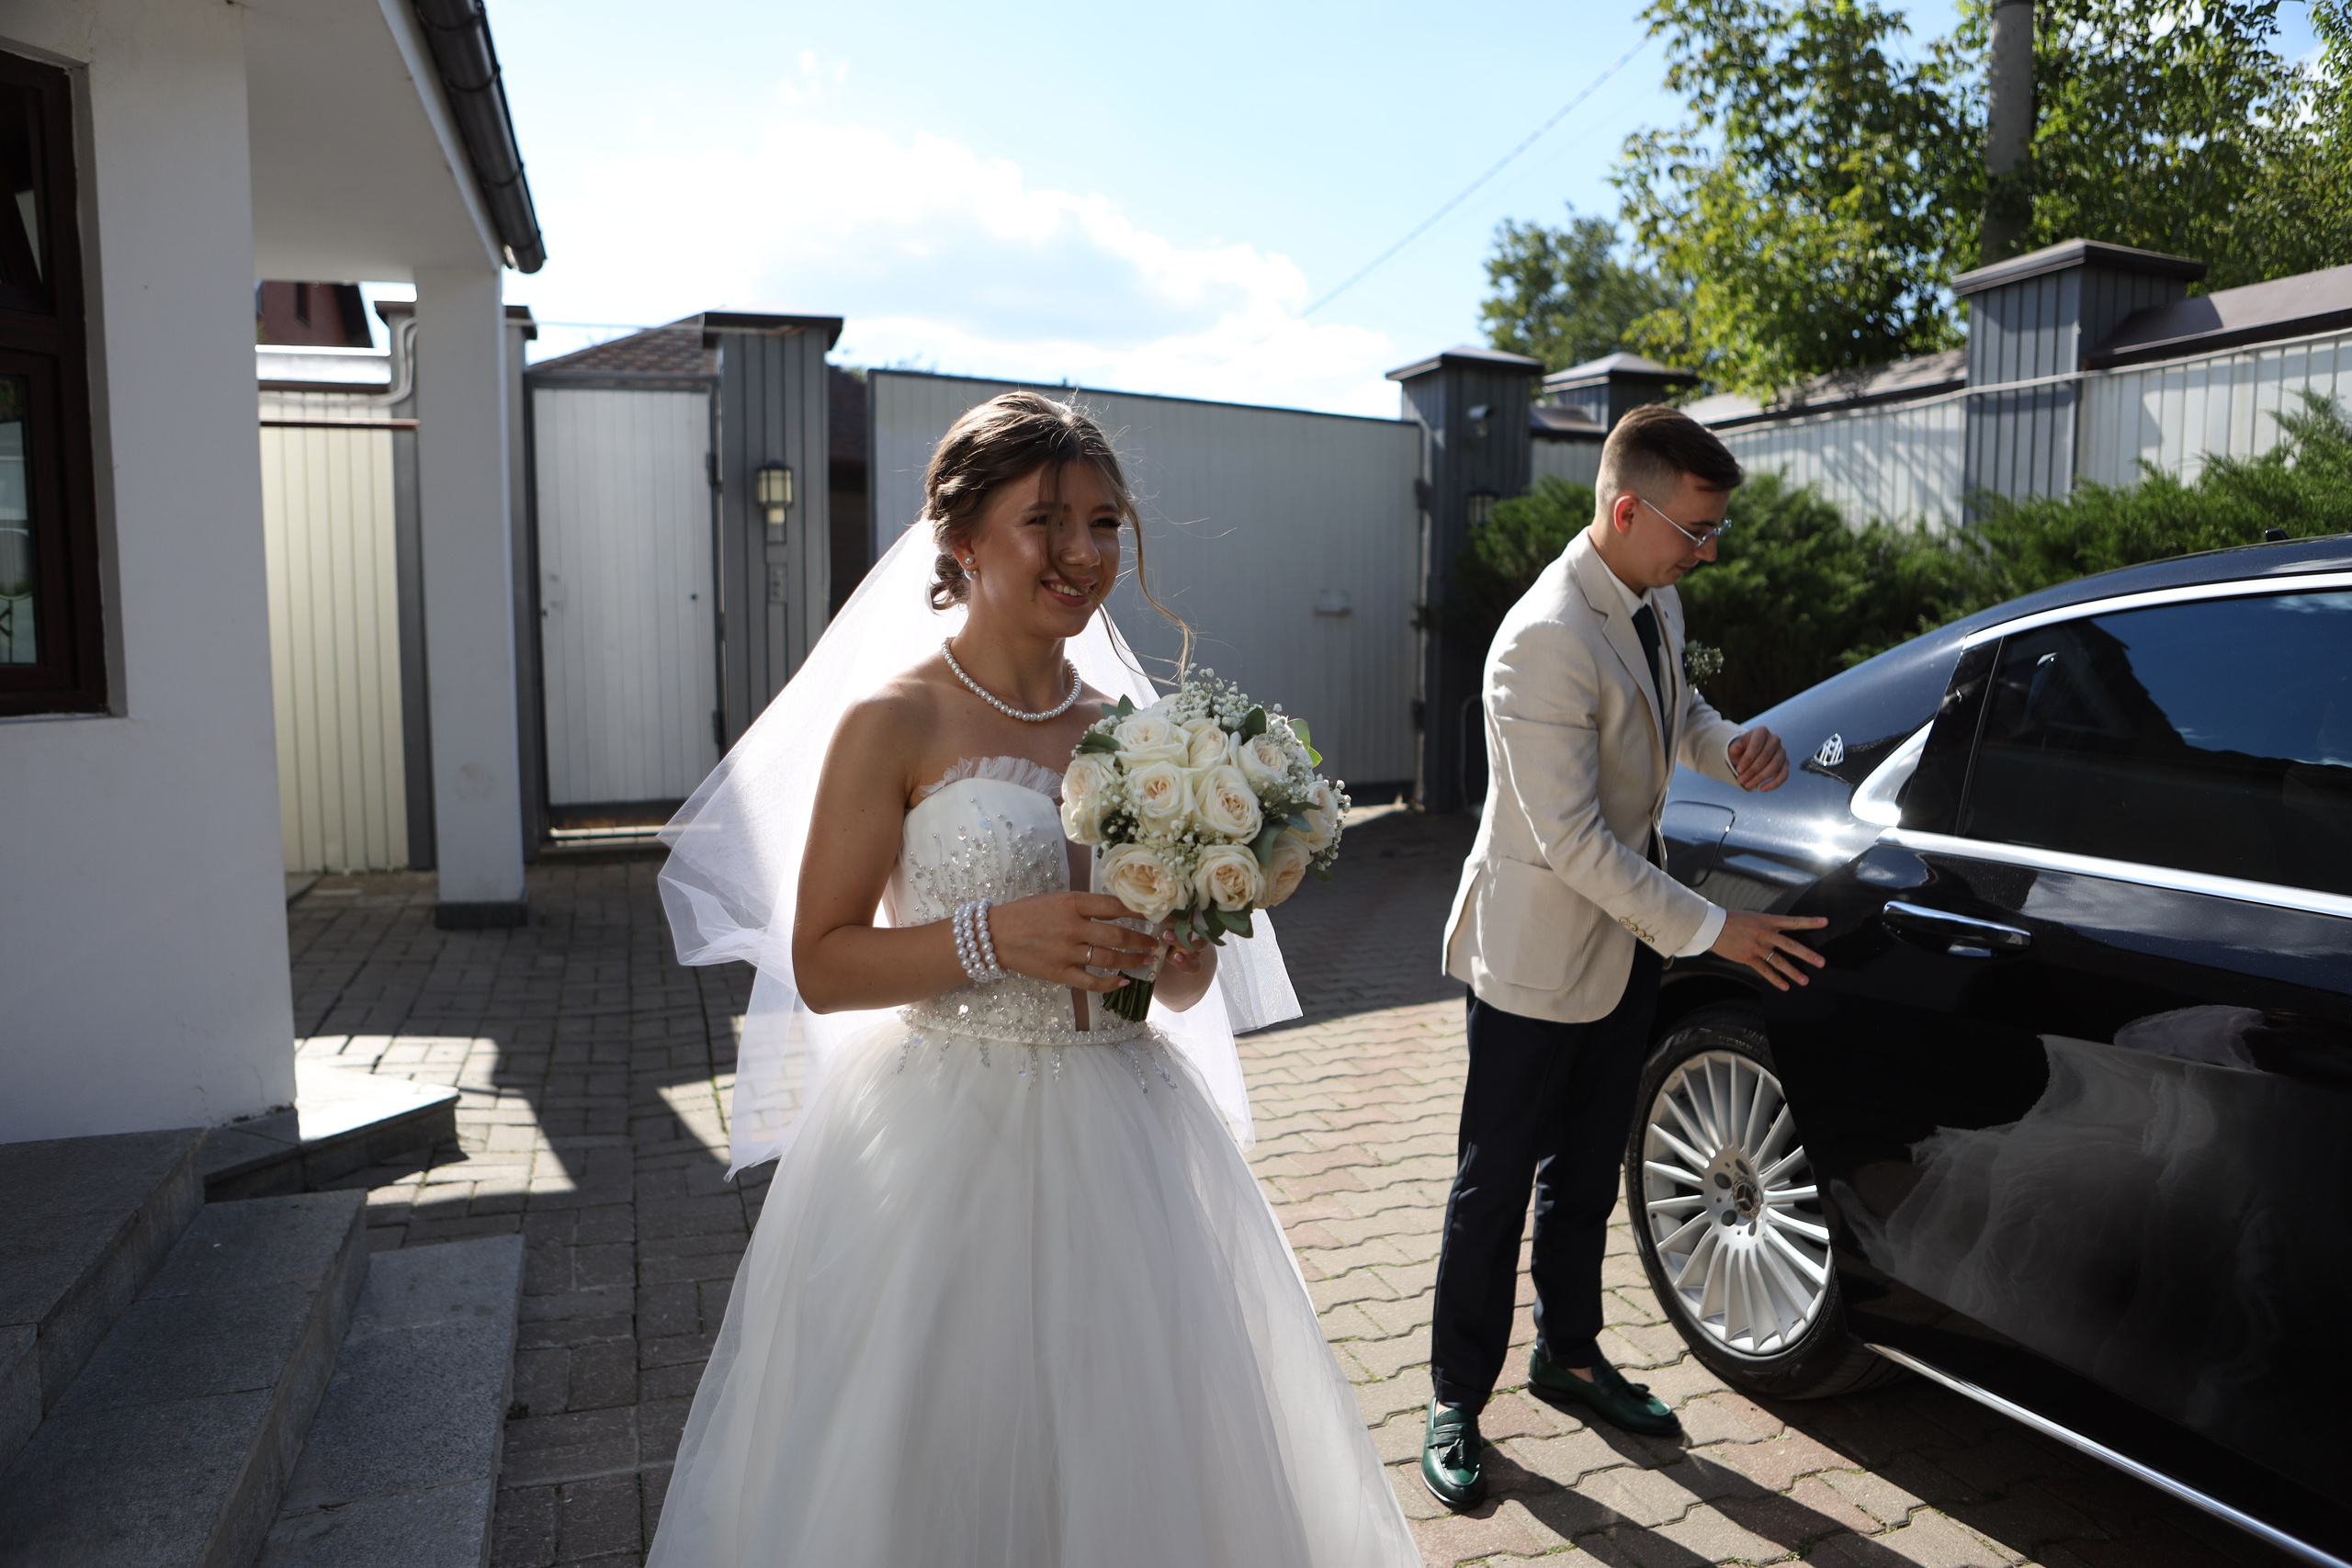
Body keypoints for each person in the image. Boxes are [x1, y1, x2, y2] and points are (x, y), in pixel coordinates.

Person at [647, 391, 1420, 1565]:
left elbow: (1185, 988)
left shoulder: (1141, 737)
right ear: (958, 540)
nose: (1083, 553)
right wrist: (991, 937)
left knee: (1140, 1453)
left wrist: (1180, 945)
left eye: (1104, 523)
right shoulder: (892, 723)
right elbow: (820, 960)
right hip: (947, 1144)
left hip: (1131, 1138)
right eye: (1045, 520)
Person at [1420, 404, 1828, 1509]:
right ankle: (1456, 1393)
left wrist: (1721, 740)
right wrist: (1715, 928)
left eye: (1715, 532)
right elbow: (1574, 845)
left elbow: (1671, 703)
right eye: (1697, 529)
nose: (1708, 549)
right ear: (1625, 508)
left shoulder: (1655, 593)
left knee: (1589, 1167)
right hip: (1538, 951)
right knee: (1494, 1180)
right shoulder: (1542, 636)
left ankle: (1572, 1354)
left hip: (1625, 946)